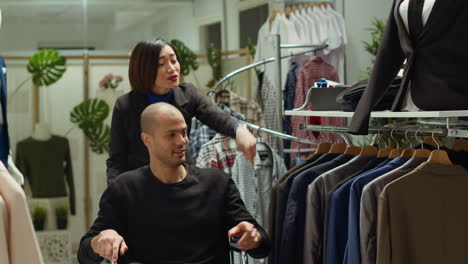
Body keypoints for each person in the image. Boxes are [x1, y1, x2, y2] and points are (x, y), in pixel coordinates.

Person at [78, 102, 271, 264]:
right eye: (171, 135)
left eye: (184, 132)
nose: (182, 141)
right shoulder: (123, 189)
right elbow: (84, 254)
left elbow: (263, 245)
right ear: (147, 140)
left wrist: (254, 238)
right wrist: (100, 241)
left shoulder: (217, 183)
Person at [106, 38, 257, 184]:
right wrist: (117, 194)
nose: (172, 68)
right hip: (142, 186)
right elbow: (116, 161)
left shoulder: (187, 93)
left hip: (182, 179)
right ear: (145, 69)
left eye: (173, 60)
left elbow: (216, 116)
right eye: (161, 64)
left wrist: (239, 130)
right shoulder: (126, 105)